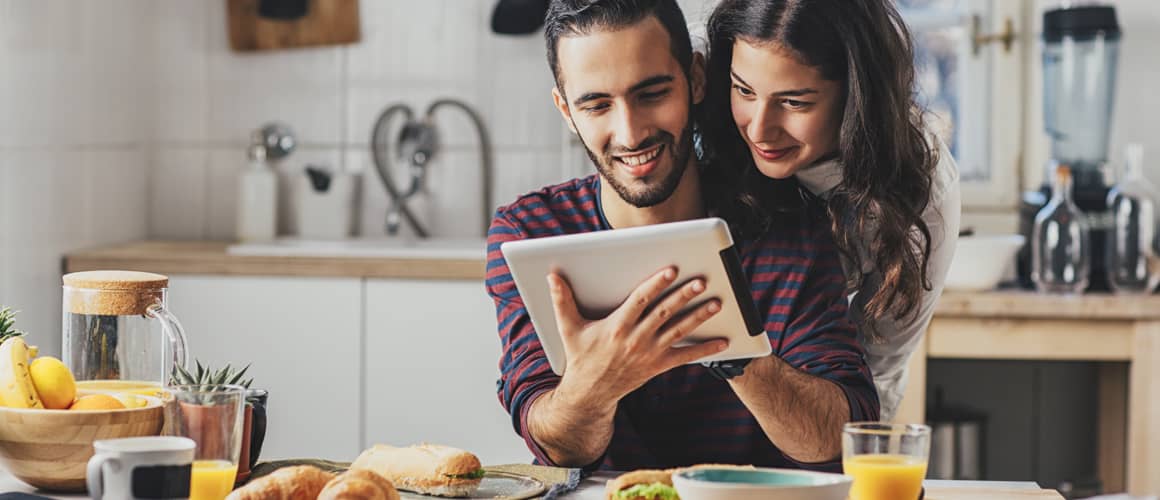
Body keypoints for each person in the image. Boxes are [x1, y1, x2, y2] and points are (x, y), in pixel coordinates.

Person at [485, 0, 878, 472]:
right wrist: (596, 381)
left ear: (694, 78)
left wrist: (737, 352)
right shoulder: (529, 234)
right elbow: (555, 442)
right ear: (566, 111)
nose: (630, 133)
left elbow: (839, 438)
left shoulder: (788, 224)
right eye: (597, 105)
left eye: (651, 94)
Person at [701, 0, 962, 421]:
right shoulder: (705, 125)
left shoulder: (920, 189)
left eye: (794, 102)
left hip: (812, 411)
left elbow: (877, 367)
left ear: (857, 95)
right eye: (744, 90)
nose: (758, 128)